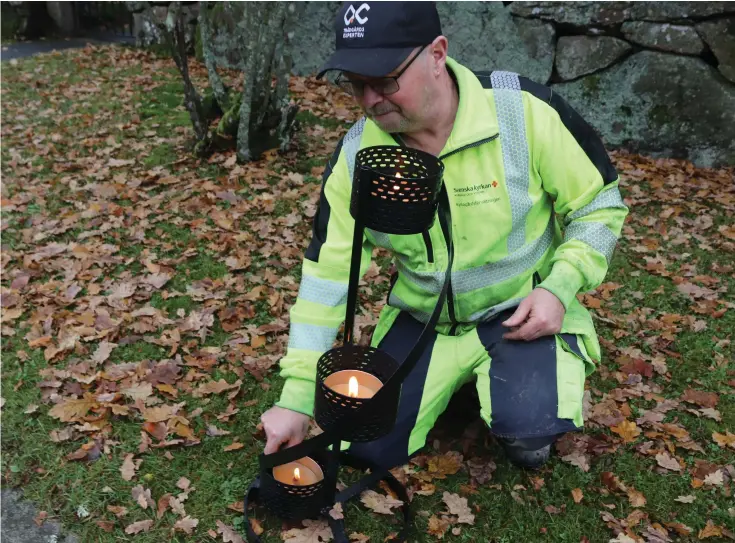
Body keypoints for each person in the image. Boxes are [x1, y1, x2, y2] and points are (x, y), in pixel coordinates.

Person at [260, 1, 628, 470]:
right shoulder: (357, 158)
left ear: (437, 54)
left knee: (530, 433)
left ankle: (506, 384)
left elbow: (600, 204)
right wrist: (296, 398)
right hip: (422, 322)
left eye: (386, 80)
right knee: (364, 447)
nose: (371, 100)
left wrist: (560, 288)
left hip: (520, 314)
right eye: (356, 84)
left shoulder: (524, 111)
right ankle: (458, 382)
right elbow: (326, 277)